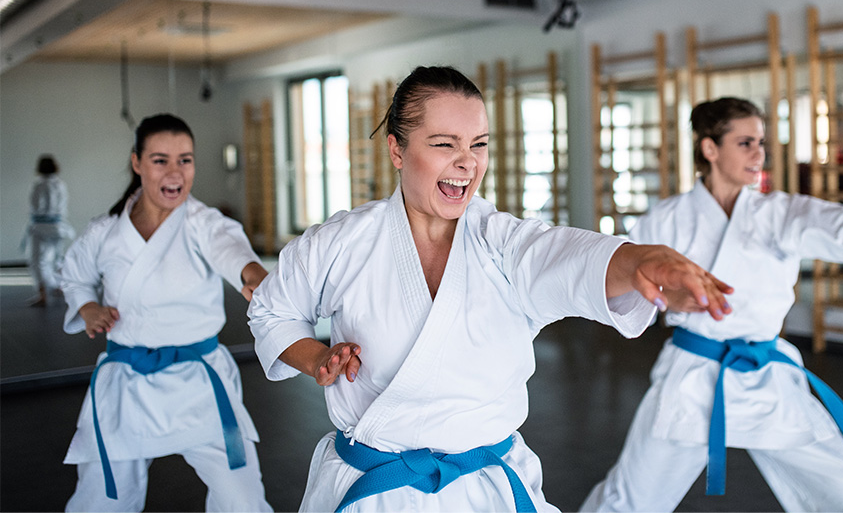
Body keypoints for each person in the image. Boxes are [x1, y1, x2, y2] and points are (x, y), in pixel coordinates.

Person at [248, 66, 734, 512]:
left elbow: (561, 255)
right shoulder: (340, 242)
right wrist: (317, 358)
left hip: (488, 490)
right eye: (444, 144)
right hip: (377, 489)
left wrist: (637, 260)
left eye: (478, 144)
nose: (467, 163)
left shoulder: (500, 241)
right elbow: (272, 311)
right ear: (397, 149)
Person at [580, 97, 843, 513]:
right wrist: (667, 300)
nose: (759, 153)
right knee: (629, 499)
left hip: (768, 375)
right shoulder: (664, 219)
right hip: (692, 376)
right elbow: (626, 283)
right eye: (745, 142)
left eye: (761, 142)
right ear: (710, 148)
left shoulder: (779, 212)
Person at [60, 114, 272, 512]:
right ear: (137, 162)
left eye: (185, 160)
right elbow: (74, 277)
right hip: (126, 384)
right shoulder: (105, 232)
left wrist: (253, 275)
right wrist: (88, 308)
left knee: (242, 500)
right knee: (101, 501)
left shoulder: (203, 223)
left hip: (200, 382)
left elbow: (233, 253)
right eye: (160, 160)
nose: (175, 172)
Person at [24, 154, 75, 306]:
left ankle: (42, 293)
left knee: (37, 260)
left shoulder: (40, 185)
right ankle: (59, 287)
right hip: (58, 226)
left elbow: (38, 206)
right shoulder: (60, 184)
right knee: (57, 258)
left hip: (41, 226)